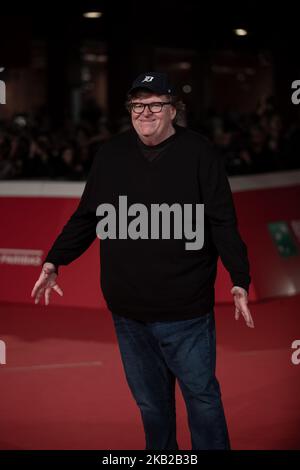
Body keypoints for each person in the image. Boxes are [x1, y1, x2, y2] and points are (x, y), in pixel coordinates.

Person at [31, 72, 254, 450]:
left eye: (154, 104)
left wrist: (239, 278)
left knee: (202, 400)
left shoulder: (200, 154)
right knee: (152, 406)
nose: (144, 112)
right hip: (128, 313)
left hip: (186, 313)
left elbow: (222, 222)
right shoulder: (111, 154)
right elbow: (88, 216)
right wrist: (55, 261)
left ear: (173, 110)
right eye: (137, 105)